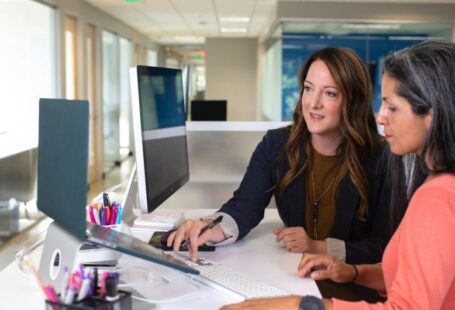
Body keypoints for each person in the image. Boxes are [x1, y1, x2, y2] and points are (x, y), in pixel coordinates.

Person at [221, 40, 455, 310]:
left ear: (432, 113)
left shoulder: (436, 195)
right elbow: (408, 275)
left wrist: (301, 305)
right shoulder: (435, 182)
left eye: (392, 107)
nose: (380, 117)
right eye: (308, 89)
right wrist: (352, 271)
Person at [168, 47, 391, 265]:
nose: (313, 103)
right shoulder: (277, 144)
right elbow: (245, 206)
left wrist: (320, 247)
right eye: (309, 88)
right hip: (299, 274)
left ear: (353, 102)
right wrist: (208, 226)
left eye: (330, 93)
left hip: (354, 283)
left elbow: (386, 245)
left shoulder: (381, 158)